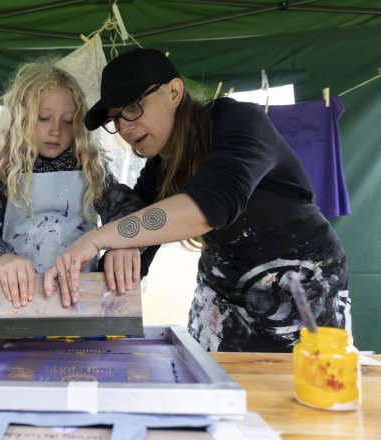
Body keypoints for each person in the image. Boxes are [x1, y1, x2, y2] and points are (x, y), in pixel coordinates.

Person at [44, 48, 350, 353]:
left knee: (300, 388)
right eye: (115, 118)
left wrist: (96, 239)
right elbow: (138, 237)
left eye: (133, 107)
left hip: (302, 282)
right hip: (223, 285)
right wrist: (83, 308)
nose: (124, 126)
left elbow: (209, 206)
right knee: (212, 387)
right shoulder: (159, 167)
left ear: (175, 91)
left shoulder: (239, 121)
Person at [0, 59, 147, 308]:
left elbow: (130, 210)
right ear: (20, 119)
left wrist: (123, 243)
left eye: (67, 121)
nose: (56, 131)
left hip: (84, 303)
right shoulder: (3, 172)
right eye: (44, 118)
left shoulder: (90, 168)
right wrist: (1, 258)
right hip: (19, 304)